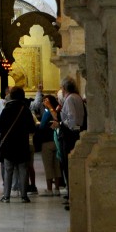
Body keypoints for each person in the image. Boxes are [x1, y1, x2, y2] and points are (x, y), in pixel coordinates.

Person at [0, 86, 36, 203]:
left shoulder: (6, 109)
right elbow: (32, 128)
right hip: (22, 143)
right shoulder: (25, 109)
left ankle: (6, 196)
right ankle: (24, 196)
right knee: (23, 169)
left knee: (8, 170)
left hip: (8, 144)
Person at [58, 77, 85, 210]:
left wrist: (62, 123)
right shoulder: (78, 97)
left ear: (64, 88)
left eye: (61, 88)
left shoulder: (69, 99)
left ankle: (72, 197)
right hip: (76, 133)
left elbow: (72, 119)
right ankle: (71, 195)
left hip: (69, 135)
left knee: (68, 165)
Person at [35, 94, 62, 195]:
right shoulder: (56, 110)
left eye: (45, 100)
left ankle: (49, 189)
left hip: (47, 141)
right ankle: (57, 189)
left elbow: (42, 126)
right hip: (56, 141)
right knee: (56, 166)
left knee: (48, 166)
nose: (43, 103)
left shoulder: (48, 111)